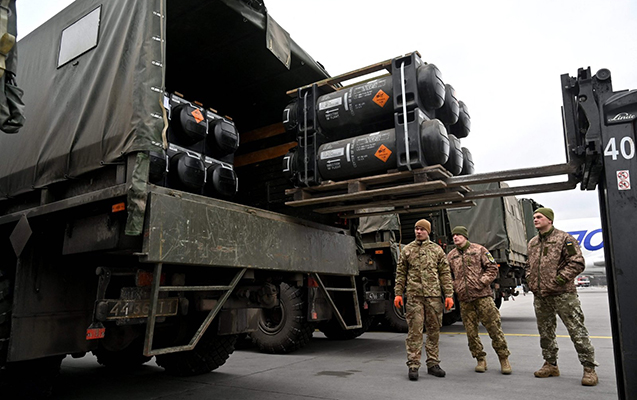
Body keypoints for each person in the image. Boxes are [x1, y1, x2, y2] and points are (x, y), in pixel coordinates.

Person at [526, 207, 598, 386]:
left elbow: (577, 262)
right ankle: (550, 364)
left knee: (576, 331)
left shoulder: (564, 238)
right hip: (541, 296)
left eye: (539, 217)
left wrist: (558, 280)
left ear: (549, 220)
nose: (535, 219)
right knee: (545, 333)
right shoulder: (533, 242)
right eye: (534, 217)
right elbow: (529, 265)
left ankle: (589, 369)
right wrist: (530, 280)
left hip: (563, 294)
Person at [394, 219, 454, 381]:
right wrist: (398, 293)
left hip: (434, 297)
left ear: (428, 231)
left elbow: (445, 274)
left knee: (434, 330)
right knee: (415, 331)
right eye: (416, 229)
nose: (418, 231)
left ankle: (433, 363)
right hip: (414, 297)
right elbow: (400, 274)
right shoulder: (407, 250)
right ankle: (413, 365)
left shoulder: (437, 250)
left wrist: (449, 295)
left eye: (421, 229)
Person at [447, 226, 512, 374]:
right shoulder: (451, 256)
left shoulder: (479, 250)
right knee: (471, 333)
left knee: (494, 328)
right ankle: (480, 359)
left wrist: (482, 282)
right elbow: (447, 275)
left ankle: (504, 359)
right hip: (464, 299)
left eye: (458, 235)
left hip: (483, 297)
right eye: (454, 235)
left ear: (465, 236)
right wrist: (455, 286)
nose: (455, 237)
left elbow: (492, 268)